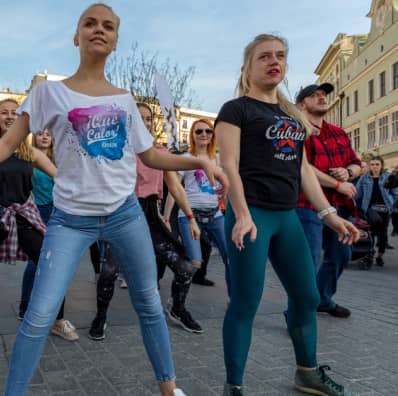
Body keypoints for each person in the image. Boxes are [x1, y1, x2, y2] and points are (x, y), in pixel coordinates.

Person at [0, 4, 227, 395]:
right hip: (70, 219)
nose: (99, 30)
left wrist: (198, 159)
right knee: (40, 313)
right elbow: (8, 144)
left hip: (124, 215)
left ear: (115, 41)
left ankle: (169, 388)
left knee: (148, 303)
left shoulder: (125, 100)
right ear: (76, 36)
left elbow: (150, 156)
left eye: (109, 26)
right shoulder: (48, 93)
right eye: (90, 23)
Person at [215, 33, 359, 396]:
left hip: (288, 216)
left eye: (279, 55)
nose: (273, 61)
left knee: (308, 296)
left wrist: (328, 214)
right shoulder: (236, 109)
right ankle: (234, 386)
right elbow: (228, 164)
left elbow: (303, 169)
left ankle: (307, 372)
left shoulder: (291, 115)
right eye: (264, 56)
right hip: (252, 217)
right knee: (246, 301)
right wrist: (242, 214)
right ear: (247, 68)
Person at [0, 98, 74, 345]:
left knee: (52, 265)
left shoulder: (29, 152)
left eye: (14, 113)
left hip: (23, 216)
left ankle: (57, 320)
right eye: (4, 113)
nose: (10, 116)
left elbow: (59, 176)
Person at [88, 103, 204, 339]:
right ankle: (100, 316)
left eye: (148, 119)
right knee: (109, 272)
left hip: (151, 216)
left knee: (185, 268)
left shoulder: (160, 152)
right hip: (122, 215)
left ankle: (177, 309)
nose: (145, 122)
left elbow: (176, 188)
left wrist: (190, 218)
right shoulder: (116, 150)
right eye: (138, 118)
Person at [294, 83, 362, 318]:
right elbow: (301, 168)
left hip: (340, 207)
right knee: (308, 261)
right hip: (307, 206)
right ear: (302, 104)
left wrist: (349, 173)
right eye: (315, 95)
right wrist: (337, 183)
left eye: (324, 95)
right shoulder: (296, 130)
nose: (322, 97)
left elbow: (356, 163)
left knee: (341, 255)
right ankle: (299, 312)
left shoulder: (338, 133)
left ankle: (323, 298)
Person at [15, 129, 79, 340]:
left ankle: (53, 314)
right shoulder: (28, 157)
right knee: (36, 262)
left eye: (49, 135)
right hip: (34, 212)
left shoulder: (57, 159)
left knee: (56, 262)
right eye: (41, 134)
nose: (44, 137)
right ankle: (25, 306)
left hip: (57, 212)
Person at [176, 118, 230, 297]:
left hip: (215, 215)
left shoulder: (219, 159)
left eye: (208, 131)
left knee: (230, 258)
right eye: (199, 131)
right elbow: (176, 188)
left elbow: (226, 190)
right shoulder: (186, 158)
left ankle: (234, 300)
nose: (204, 134)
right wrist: (167, 217)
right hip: (190, 214)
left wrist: (232, 212)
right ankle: (177, 303)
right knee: (195, 263)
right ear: (192, 135)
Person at [355, 155, 395, 268]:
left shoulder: (388, 177)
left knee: (383, 235)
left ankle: (380, 256)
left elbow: (395, 193)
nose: (375, 167)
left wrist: (392, 203)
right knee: (370, 232)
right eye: (372, 164)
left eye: (377, 164)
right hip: (369, 209)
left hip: (385, 210)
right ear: (369, 166)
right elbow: (357, 194)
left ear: (382, 165)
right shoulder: (364, 178)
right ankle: (370, 253)